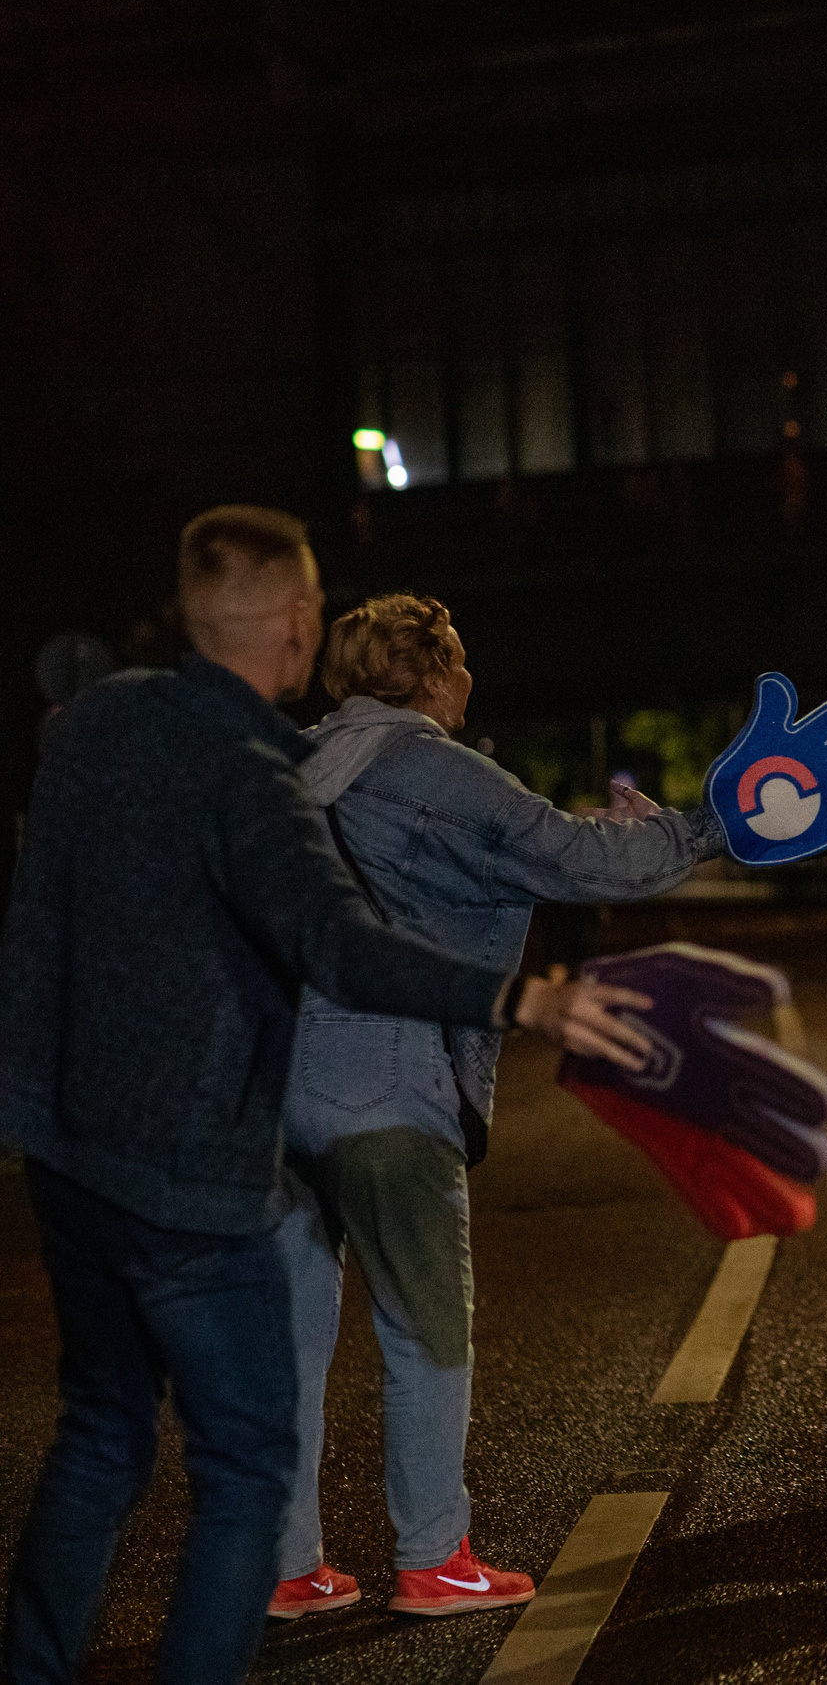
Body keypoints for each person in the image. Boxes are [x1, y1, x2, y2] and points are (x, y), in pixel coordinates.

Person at [0, 507, 649, 1685]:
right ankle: (383, 1574)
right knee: (261, 1447)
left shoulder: (103, 728)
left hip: (75, 1145)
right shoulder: (258, 774)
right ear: (296, 632)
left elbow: (40, 920)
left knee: (105, 1434)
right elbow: (340, 946)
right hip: (225, 1150)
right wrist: (518, 1003)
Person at [267, 594, 734, 1622]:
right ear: (436, 674)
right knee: (424, 1321)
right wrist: (700, 827)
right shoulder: (436, 765)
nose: (468, 678)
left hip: (270, 1079)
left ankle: (286, 1565)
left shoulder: (291, 764)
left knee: (288, 1335)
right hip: (387, 1074)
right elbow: (583, 859)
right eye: (462, 659)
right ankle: (433, 1557)